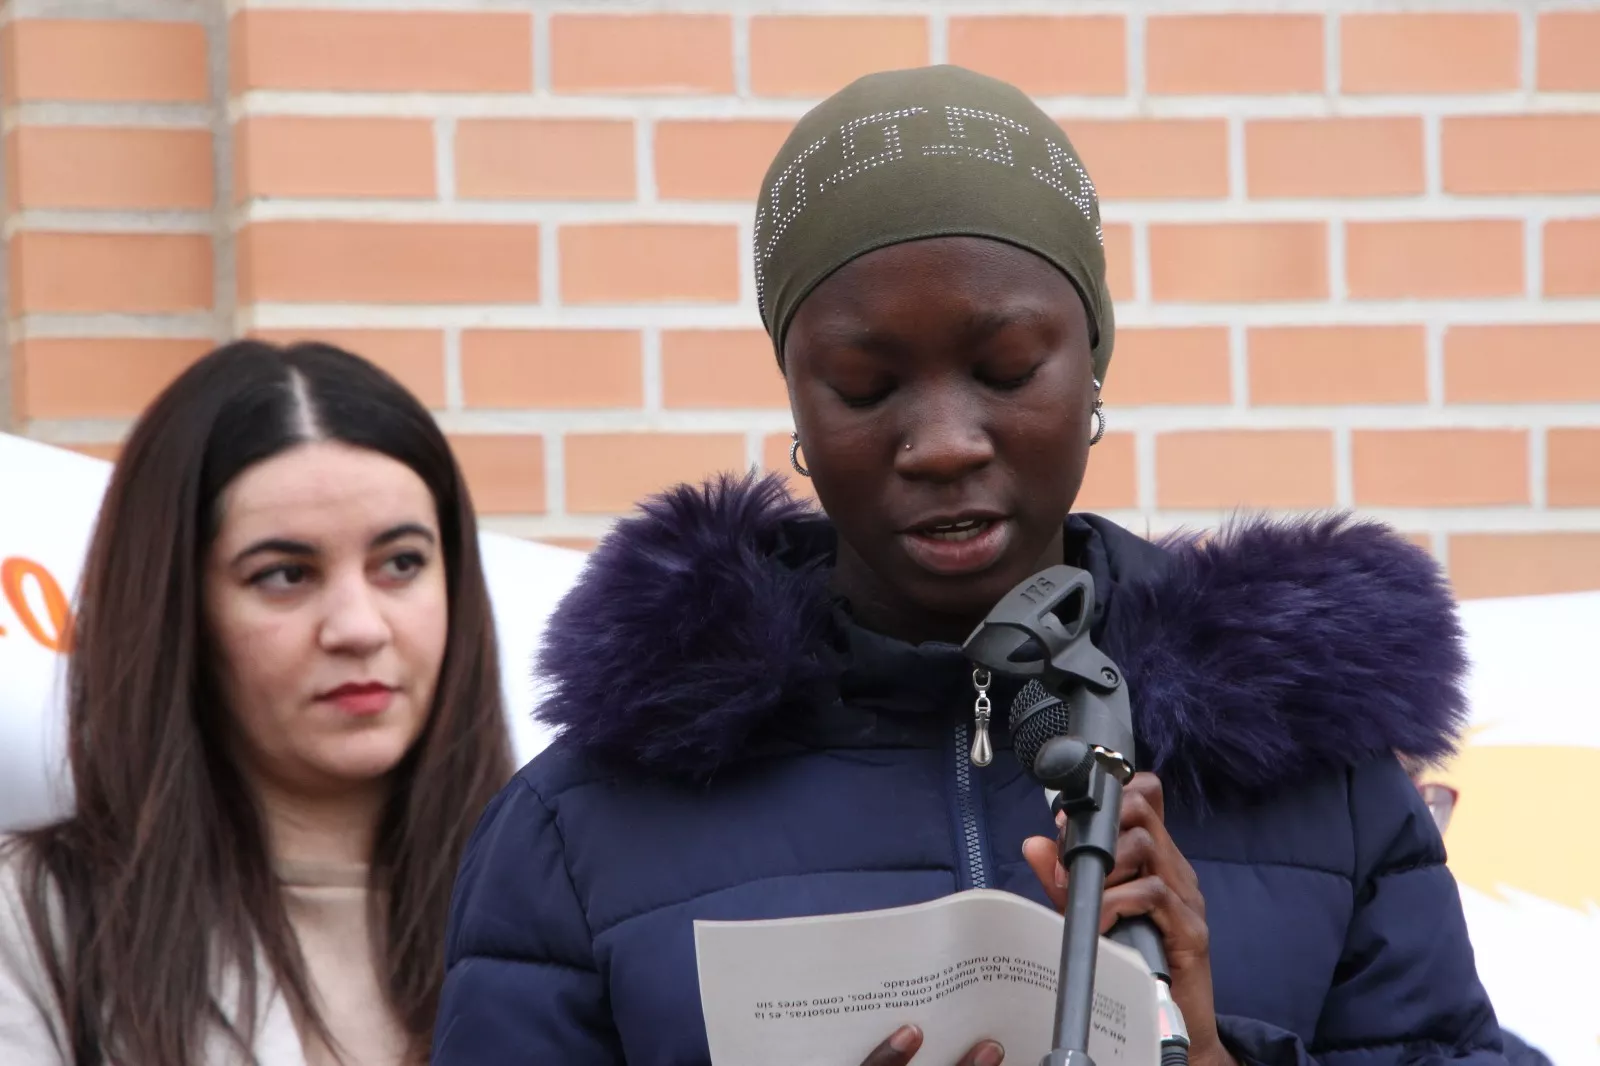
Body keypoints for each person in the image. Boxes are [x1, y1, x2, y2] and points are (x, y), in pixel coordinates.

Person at [433, 65, 1506, 1066]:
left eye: (1004, 370)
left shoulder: (1319, 780)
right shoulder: (587, 822)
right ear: (796, 405)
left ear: (1092, 369)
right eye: (863, 384)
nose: (943, 440)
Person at [0, 340, 513, 1065]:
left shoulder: (584, 904)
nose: (359, 626)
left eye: (401, 563)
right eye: (285, 575)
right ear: (178, 611)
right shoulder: (34, 925)